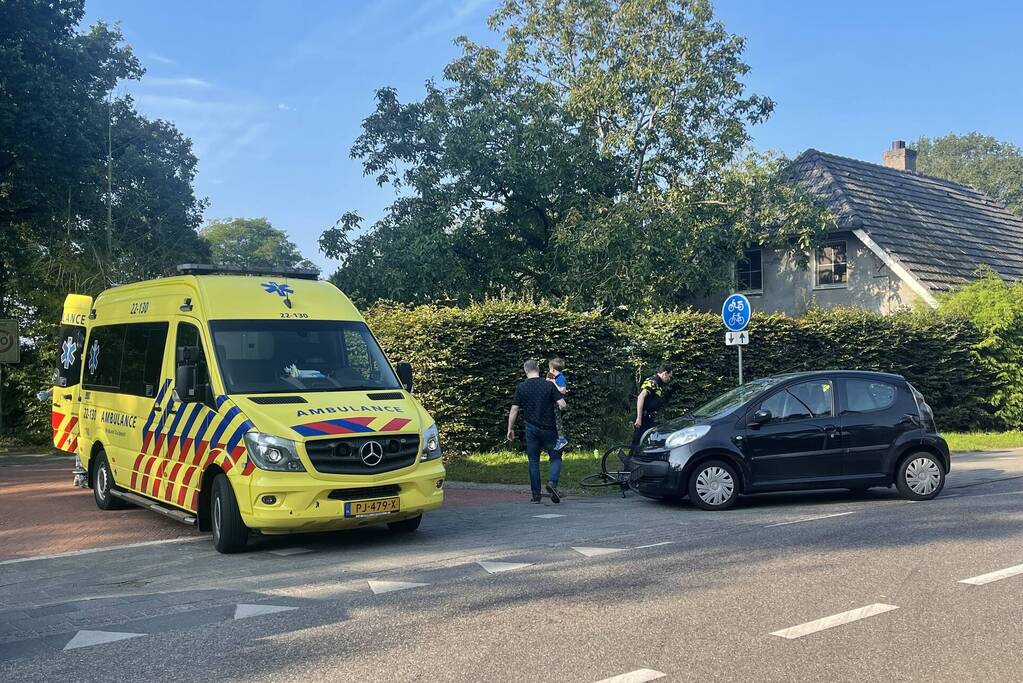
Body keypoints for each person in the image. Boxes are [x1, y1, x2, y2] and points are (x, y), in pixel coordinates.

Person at [507, 359, 568, 503]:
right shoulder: (548, 385)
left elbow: (514, 409)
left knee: (533, 460)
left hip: (531, 428)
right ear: (538, 368)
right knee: (555, 456)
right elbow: (562, 404)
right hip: (549, 428)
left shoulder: (521, 387)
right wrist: (560, 405)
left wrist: (510, 428)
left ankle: (536, 495)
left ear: (525, 370)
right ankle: (552, 482)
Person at [632, 362, 673, 453]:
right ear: (665, 373)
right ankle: (631, 459)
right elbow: (641, 397)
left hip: (650, 417)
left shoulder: (659, 383)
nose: (669, 379)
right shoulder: (653, 381)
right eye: (669, 376)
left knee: (649, 440)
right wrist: (639, 418)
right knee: (637, 441)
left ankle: (643, 458)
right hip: (643, 416)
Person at [546, 357, 569, 451]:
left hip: (558, 403)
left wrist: (554, 383)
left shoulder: (560, 378)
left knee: (557, 421)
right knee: (554, 420)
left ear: (553, 369)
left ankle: (562, 439)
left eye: (550, 369)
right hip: (554, 402)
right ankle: (557, 439)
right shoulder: (556, 376)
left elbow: (563, 391)